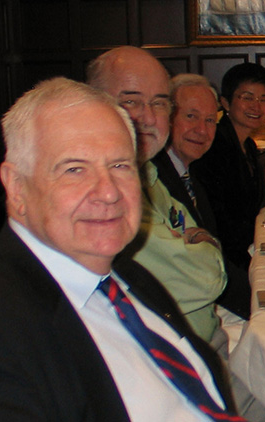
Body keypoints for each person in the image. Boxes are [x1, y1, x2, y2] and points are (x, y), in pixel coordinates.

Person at [0, 77, 240, 421]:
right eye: (74, 169)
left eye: (120, 166)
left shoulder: (121, 274)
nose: (108, 192)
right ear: (17, 187)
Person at [88, 46, 227, 344]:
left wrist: (201, 245)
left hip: (207, 338)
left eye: (159, 104)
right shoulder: (104, 197)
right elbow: (208, 278)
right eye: (130, 101)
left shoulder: (148, 174)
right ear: (93, 106)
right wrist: (201, 245)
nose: (147, 118)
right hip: (170, 357)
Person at [191, 62, 265, 319]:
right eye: (247, 97)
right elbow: (223, 224)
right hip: (223, 267)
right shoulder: (215, 147)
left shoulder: (248, 146)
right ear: (226, 103)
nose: (256, 106)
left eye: (264, 99)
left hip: (242, 255)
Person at [154, 74, 218, 235]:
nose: (202, 130)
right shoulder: (153, 178)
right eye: (191, 116)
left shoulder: (196, 173)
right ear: (167, 118)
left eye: (210, 120)